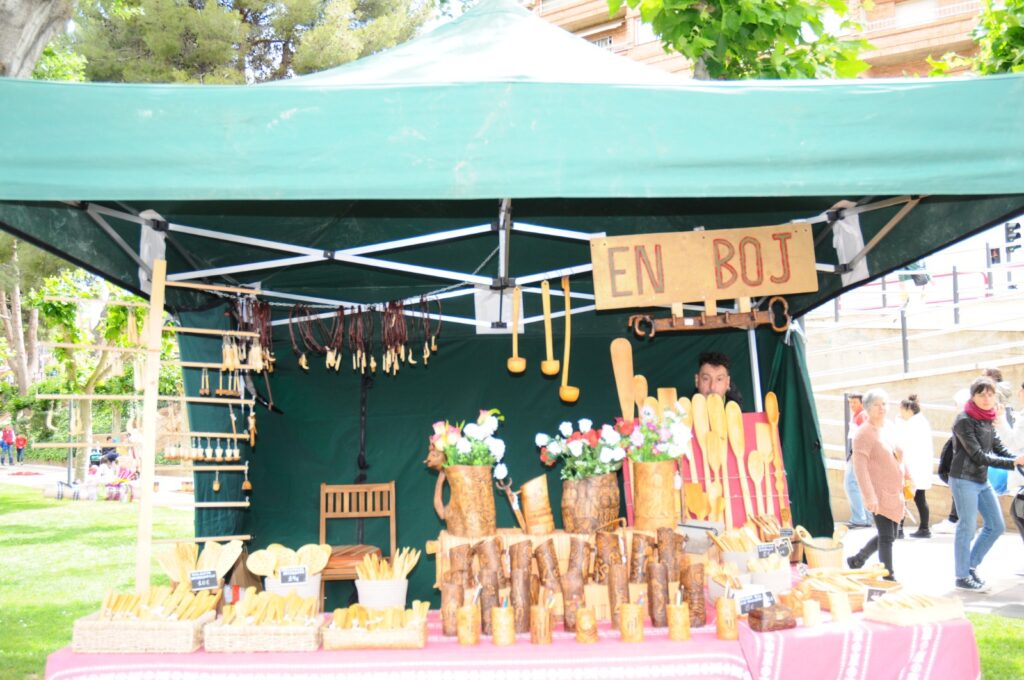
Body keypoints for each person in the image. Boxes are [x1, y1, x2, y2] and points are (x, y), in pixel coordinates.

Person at [949, 376, 1024, 592]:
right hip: (964, 479)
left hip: (981, 479)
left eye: (990, 394)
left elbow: (999, 447)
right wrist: (1013, 463)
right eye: (981, 394)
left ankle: (969, 566)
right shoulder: (964, 420)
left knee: (996, 525)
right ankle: (962, 576)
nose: (986, 398)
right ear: (973, 396)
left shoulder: (987, 418)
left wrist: (1017, 459)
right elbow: (978, 455)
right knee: (967, 527)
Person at [846, 389, 904, 581]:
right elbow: (860, 468)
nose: (881, 408)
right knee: (887, 537)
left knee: (890, 535)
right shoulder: (863, 434)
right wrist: (869, 496)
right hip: (878, 493)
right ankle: (888, 575)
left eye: (884, 404)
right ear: (868, 408)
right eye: (877, 405)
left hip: (894, 491)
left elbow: (898, 453)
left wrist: (907, 474)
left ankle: (858, 559)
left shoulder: (888, 427)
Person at [896, 395, 933, 538]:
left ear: (908, 409)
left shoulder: (912, 424)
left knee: (903, 497)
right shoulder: (920, 422)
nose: (899, 412)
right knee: (919, 498)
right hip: (919, 468)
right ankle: (924, 528)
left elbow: (901, 442)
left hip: (911, 467)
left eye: (901, 409)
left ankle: (899, 529)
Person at [844, 393, 872, 528]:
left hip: (857, 455)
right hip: (856, 454)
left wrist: (858, 454)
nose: (851, 405)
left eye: (854, 402)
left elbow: (867, 435)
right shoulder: (857, 415)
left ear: (862, 402)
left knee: (850, 484)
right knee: (860, 485)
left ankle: (859, 518)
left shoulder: (862, 415)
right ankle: (866, 518)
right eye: (850, 402)